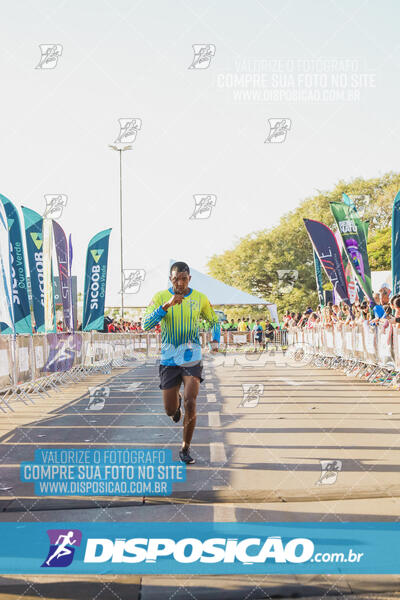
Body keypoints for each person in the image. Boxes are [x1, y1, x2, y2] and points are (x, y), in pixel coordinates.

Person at [143, 261, 220, 464]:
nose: (180, 282)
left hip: (191, 355)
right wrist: (166, 305)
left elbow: (214, 320)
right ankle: (175, 406)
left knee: (191, 401)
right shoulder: (160, 297)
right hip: (169, 358)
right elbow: (145, 324)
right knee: (170, 409)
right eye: (176, 279)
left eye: (183, 278)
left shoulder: (200, 298)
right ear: (171, 279)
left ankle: (185, 447)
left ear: (189, 279)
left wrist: (215, 339)